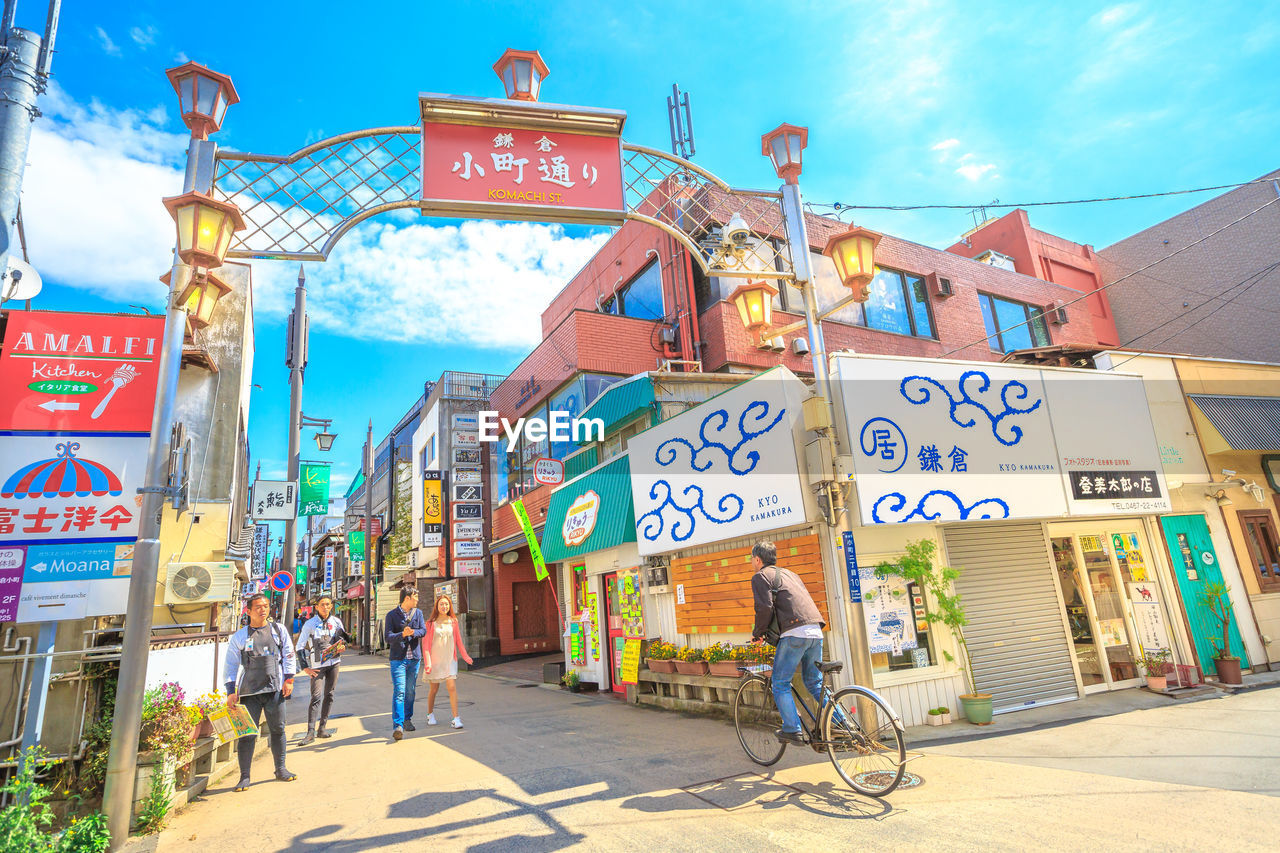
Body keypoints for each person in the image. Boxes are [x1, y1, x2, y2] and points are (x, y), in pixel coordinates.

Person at [749, 540, 826, 744]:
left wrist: (758, 633)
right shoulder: (791, 575)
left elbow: (764, 608)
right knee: (814, 683)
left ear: (757, 559)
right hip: (816, 630)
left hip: (795, 633)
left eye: (751, 559)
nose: (751, 563)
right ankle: (842, 725)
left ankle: (792, 729)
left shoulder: (760, 577)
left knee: (780, 683)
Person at [223, 593, 297, 791]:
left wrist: (289, 679)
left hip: (275, 688)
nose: (263, 609)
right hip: (249, 691)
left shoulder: (278, 630)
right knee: (247, 734)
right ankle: (244, 776)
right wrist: (231, 691)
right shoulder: (240, 636)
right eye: (258, 607)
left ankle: (280, 769)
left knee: (278, 729)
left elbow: (289, 654)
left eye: (265, 606)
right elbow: (230, 665)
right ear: (248, 611)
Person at [294, 594, 353, 745]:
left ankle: (322, 728)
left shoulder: (336, 622)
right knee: (316, 696)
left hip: (334, 662)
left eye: (328, 604)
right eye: (322, 604)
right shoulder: (310, 624)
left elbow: (343, 639)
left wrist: (343, 644)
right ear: (316, 607)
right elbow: (300, 646)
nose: (325, 607)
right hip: (317, 665)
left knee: (330, 695)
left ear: (331, 606)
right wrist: (305, 667)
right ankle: (310, 732)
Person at [423, 594, 474, 729]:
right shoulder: (430, 624)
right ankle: (430, 714)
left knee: (451, 687)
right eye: (441, 604)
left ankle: (456, 719)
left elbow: (458, 641)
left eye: (446, 604)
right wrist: (428, 663)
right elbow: (426, 646)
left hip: (450, 660)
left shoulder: (453, 621)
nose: (444, 606)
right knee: (434, 689)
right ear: (437, 606)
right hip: (435, 662)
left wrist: (465, 656)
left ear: (449, 606)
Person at [384, 586, 427, 741]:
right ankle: (398, 725)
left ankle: (407, 719)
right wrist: (402, 634)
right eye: (415, 597)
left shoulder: (418, 613)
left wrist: (413, 633)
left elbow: (423, 630)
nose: (417, 599)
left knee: (410, 691)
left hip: (414, 658)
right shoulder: (391, 615)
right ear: (407, 598)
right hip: (398, 659)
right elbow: (387, 637)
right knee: (400, 690)